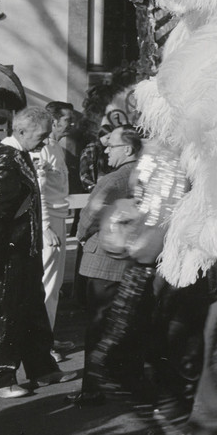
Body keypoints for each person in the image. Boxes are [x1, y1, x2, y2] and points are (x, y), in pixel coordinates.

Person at [0, 106, 64, 397]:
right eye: (41, 136)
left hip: (23, 250)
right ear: (21, 132)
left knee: (31, 308)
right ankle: (0, 377)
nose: (45, 142)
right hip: (7, 253)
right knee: (5, 313)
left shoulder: (17, 156)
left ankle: (40, 366)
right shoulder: (5, 160)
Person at [70, 124, 144, 405]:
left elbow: (89, 216)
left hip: (104, 262)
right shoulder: (147, 174)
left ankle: (93, 389)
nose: (105, 149)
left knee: (98, 327)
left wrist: (81, 236)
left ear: (127, 149)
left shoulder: (114, 179)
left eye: (111, 145)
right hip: (133, 260)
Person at [35, 100, 73, 334]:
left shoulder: (57, 147)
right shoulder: (44, 148)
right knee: (47, 284)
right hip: (49, 224)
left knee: (54, 284)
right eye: (68, 119)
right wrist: (46, 226)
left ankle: (47, 338)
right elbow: (39, 190)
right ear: (55, 121)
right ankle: (43, 346)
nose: (71, 124)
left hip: (59, 218)